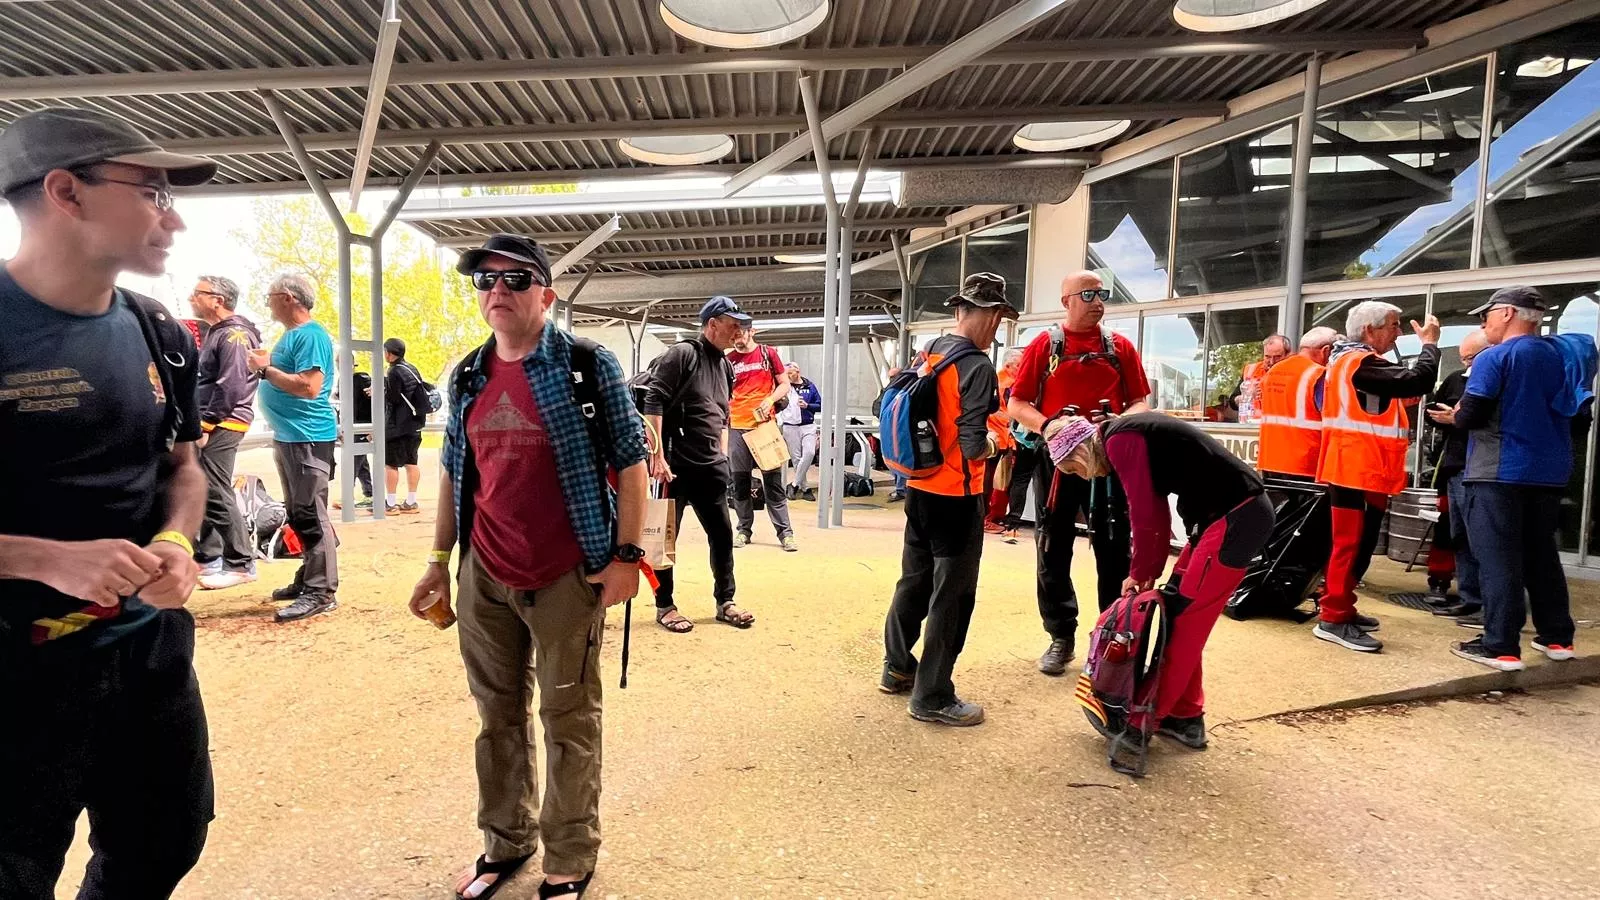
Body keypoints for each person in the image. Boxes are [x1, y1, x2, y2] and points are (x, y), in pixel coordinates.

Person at [0, 106, 215, 900]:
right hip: (17, 668)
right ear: (65, 191)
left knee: (163, 844)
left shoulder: (158, 330)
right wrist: (41, 557)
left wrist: (177, 545)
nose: (176, 217)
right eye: (154, 191)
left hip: (147, 651)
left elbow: (184, 470)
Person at [408, 234, 646, 900]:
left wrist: (627, 558)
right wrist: (438, 560)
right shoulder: (468, 375)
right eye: (484, 283)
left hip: (567, 571)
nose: (497, 292)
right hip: (484, 572)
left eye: (514, 280)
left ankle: (568, 854)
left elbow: (631, 464)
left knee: (568, 716)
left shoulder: (588, 366)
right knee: (497, 715)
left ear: (547, 292)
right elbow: (457, 472)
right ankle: (503, 843)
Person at [1049, 413, 1273, 754]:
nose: (1085, 477)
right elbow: (1154, 509)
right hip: (1225, 517)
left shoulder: (1119, 441)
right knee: (1179, 617)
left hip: (1234, 519)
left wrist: (1139, 572)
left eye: (1075, 470)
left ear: (1080, 452)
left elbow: (1146, 511)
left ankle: (1141, 722)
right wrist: (1145, 568)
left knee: (1183, 624)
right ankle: (1185, 716)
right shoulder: (1123, 435)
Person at [882, 273, 1016, 726]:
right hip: (957, 498)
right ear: (993, 315)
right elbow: (974, 442)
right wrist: (1003, 444)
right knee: (952, 598)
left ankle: (897, 666)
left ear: (958, 309)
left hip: (918, 487)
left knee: (913, 583)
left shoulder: (932, 350)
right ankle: (933, 696)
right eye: (997, 317)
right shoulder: (977, 366)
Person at [1007, 270, 1151, 676]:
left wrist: (1118, 424)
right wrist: (1051, 425)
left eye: (1101, 294)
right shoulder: (1046, 344)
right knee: (1053, 549)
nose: (1098, 301)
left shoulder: (1119, 347)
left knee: (1114, 549)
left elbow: (1140, 401)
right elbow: (1017, 403)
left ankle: (1111, 636)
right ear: (1066, 299)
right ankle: (1061, 636)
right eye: (1088, 294)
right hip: (1058, 464)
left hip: (1110, 464)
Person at [1446, 287, 1580, 670]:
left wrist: (1454, 415)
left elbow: (1471, 415)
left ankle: (1500, 645)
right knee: (1542, 556)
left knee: (1498, 559)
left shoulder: (1495, 358)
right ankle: (1557, 638)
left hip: (1498, 473)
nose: (1484, 322)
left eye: (1486, 314)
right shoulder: (1562, 357)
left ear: (1506, 313)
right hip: (1548, 474)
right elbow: (1579, 419)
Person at [1312, 301, 1440, 654]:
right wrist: (1430, 344)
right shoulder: (1358, 363)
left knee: (1358, 545)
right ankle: (1333, 619)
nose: (1398, 332)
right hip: (1356, 467)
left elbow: (1391, 396)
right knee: (1350, 546)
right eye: (1394, 326)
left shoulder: (1348, 361)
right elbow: (1420, 378)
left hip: (1360, 467)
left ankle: (1342, 608)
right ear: (1370, 330)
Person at [642, 296, 756, 634]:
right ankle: (666, 606)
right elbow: (654, 399)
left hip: (710, 469)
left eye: (740, 323)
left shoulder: (724, 366)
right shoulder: (682, 355)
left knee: (722, 535)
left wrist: (721, 455)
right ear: (712, 324)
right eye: (733, 323)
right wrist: (657, 456)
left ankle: (726, 602)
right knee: (662, 542)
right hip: (672, 468)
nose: (739, 329)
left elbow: (722, 415)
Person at [248, 273, 340, 622]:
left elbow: (310, 387)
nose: (267, 301)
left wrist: (266, 371)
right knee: (300, 511)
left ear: (287, 297)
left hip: (308, 437)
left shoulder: (311, 336)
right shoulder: (294, 336)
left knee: (310, 513)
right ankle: (311, 577)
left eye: (270, 295)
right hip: (291, 436)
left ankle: (321, 591)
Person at [188, 274, 263, 590]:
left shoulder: (233, 336)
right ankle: (210, 556)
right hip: (214, 419)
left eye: (197, 293)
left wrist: (206, 423)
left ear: (217, 299)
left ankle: (241, 562)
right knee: (204, 487)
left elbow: (230, 384)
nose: (191, 297)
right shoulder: (217, 333)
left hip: (223, 421)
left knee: (216, 488)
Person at [1422, 329, 1489, 618]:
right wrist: (1442, 417)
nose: (1466, 365)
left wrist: (1458, 417)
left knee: (1481, 537)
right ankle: (1468, 595)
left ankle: (1487, 600)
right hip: (1454, 464)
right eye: (1463, 359)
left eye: (1471, 358)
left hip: (1482, 467)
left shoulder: (1492, 379)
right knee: (1456, 532)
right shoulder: (1454, 380)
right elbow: (1431, 411)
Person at [726, 322, 796, 550]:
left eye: (740, 334)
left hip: (764, 427)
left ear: (751, 332)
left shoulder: (768, 353)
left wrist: (770, 400)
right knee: (740, 483)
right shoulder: (729, 360)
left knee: (773, 483)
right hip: (737, 426)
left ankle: (785, 533)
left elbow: (785, 384)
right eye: (733, 335)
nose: (737, 339)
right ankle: (743, 529)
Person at [1257, 326, 1337, 481]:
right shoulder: (1319, 375)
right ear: (1326, 351)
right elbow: (1331, 420)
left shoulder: (1272, 372)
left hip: (1269, 461)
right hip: (1304, 465)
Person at [380, 336, 429, 514]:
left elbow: (393, 398)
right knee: (411, 462)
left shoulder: (393, 372)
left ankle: (391, 504)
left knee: (391, 464)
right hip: (415, 423)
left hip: (398, 426)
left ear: (389, 353)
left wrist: (381, 390)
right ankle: (411, 501)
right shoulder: (411, 368)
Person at [983, 348, 1022, 534]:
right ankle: (988, 518)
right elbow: (1009, 414)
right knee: (992, 481)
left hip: (996, 439)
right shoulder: (1006, 384)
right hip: (1000, 439)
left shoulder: (997, 380)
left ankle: (988, 517)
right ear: (1008, 365)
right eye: (1019, 365)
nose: (1022, 369)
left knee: (991, 481)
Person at [780, 360, 822, 500]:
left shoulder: (809, 386)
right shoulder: (784, 387)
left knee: (809, 452)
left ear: (798, 372)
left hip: (807, 424)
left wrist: (808, 406)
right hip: (790, 425)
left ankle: (794, 484)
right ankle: (805, 488)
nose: (788, 376)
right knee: (796, 459)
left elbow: (820, 405)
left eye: (790, 373)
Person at [1234, 334, 1291, 423]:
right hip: (1252, 427)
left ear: (1287, 355)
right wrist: (1246, 397)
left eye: (1277, 357)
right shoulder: (1251, 370)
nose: (1272, 362)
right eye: (1267, 357)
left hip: (1278, 427)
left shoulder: (1292, 374)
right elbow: (1233, 401)